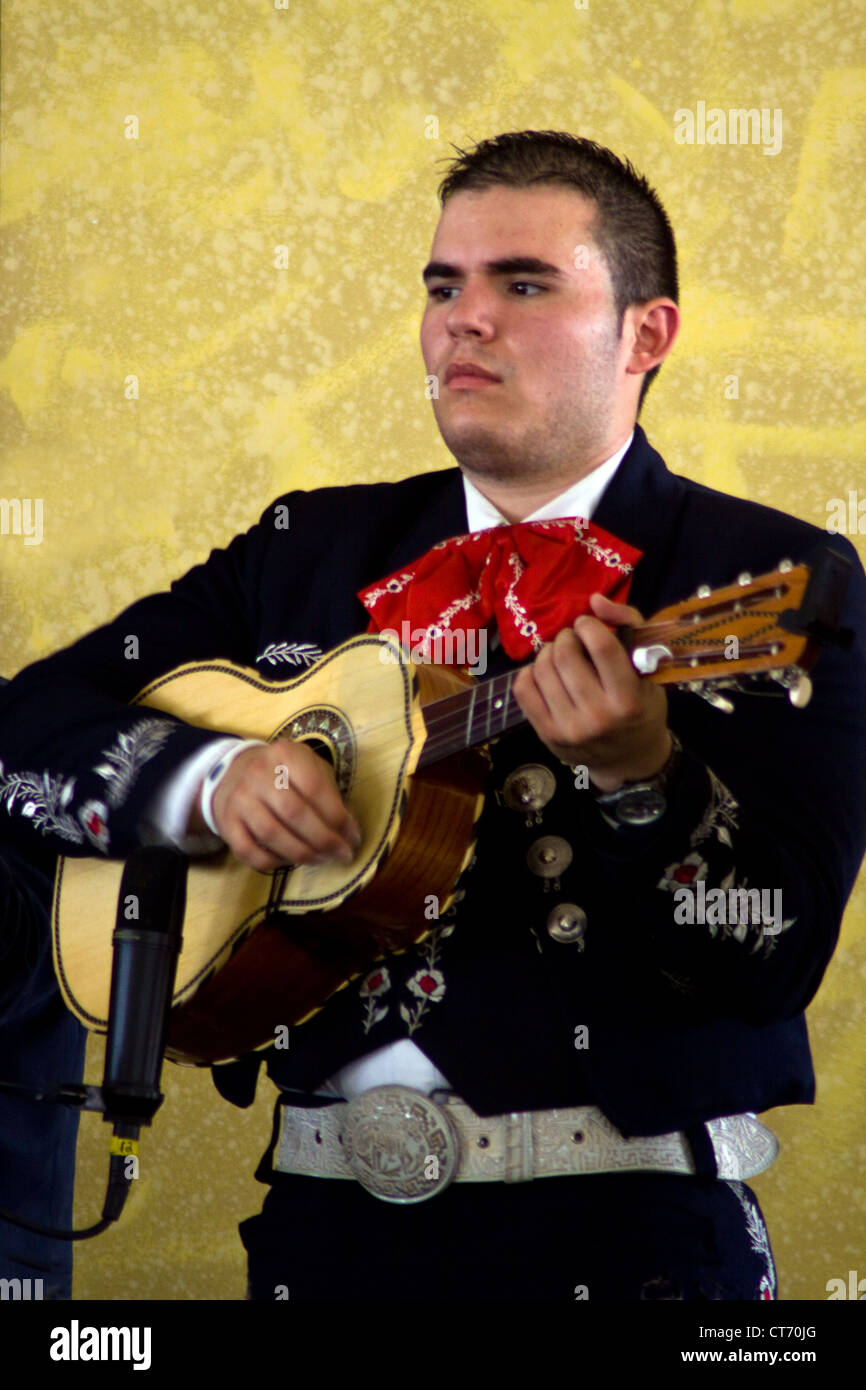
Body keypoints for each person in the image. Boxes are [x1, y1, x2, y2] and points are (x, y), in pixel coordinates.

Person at [0, 131, 864, 1301]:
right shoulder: (304, 548)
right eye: (442, 285)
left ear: (644, 334)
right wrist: (207, 780)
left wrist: (639, 776)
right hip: (317, 1236)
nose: (465, 318)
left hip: (632, 1246)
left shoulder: (770, 570)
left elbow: (777, 950)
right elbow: (29, 720)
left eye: (522, 283)